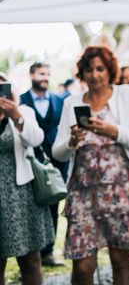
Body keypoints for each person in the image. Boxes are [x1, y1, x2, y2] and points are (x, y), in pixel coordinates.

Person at [52, 46, 129, 285]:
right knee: (84, 266)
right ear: (82, 74)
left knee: (120, 259)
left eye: (100, 69)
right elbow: (58, 152)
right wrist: (72, 141)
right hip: (83, 193)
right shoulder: (71, 102)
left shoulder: (125, 94)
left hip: (119, 190)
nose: (95, 75)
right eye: (89, 69)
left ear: (109, 71)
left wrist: (113, 131)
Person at [0, 73, 54, 285]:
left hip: (21, 192)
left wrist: (16, 115)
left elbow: (36, 139)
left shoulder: (25, 112)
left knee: (31, 260)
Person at [19, 62, 67, 267]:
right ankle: (33, 252)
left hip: (56, 160)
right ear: (31, 75)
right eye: (41, 74)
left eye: (47, 73)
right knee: (33, 205)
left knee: (54, 202)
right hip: (30, 159)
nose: (45, 77)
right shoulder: (20, 101)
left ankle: (48, 251)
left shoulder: (58, 100)